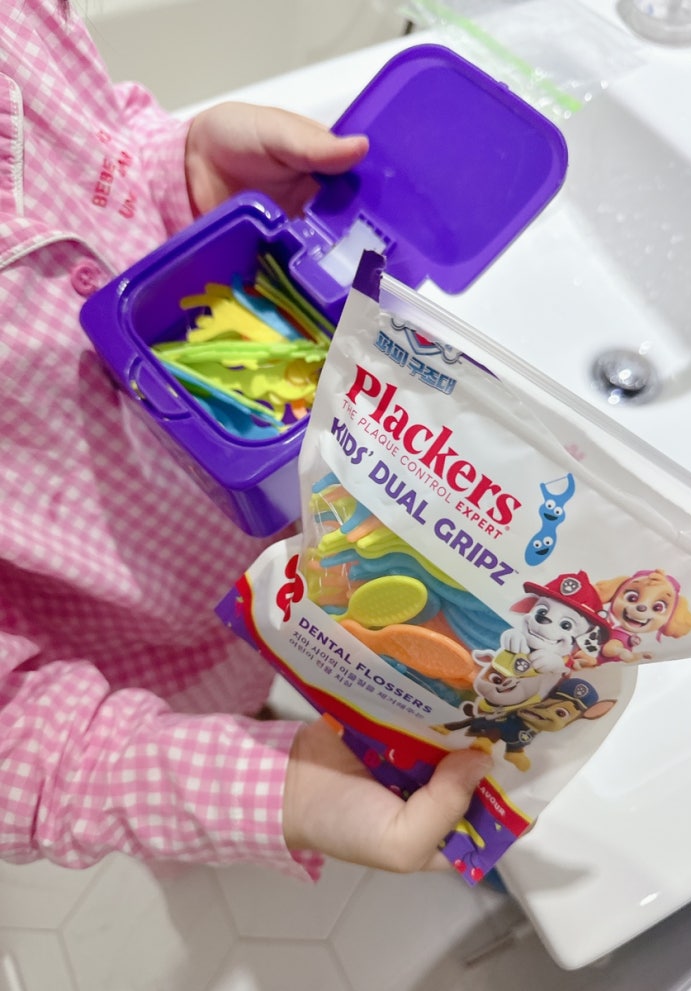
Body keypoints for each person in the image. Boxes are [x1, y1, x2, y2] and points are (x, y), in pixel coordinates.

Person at [0, 0, 490, 881]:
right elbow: (23, 749)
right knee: (230, 695)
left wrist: (179, 173)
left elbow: (105, 139)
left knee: (285, 652)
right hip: (144, 652)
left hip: (298, 546)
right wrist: (277, 789)